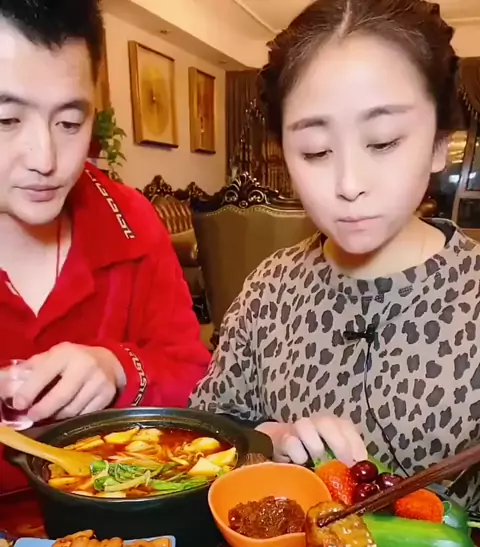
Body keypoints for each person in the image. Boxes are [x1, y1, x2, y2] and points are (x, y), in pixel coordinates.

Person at [191, 0, 480, 505]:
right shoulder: (270, 288)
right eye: (316, 151)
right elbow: (209, 429)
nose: (348, 184)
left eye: (383, 142)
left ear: (439, 142)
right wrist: (271, 439)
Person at [0, 0, 210, 493]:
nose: (45, 159)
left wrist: (117, 369)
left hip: (111, 521)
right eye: (6, 121)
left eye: (69, 123)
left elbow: (197, 380)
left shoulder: (131, 221)